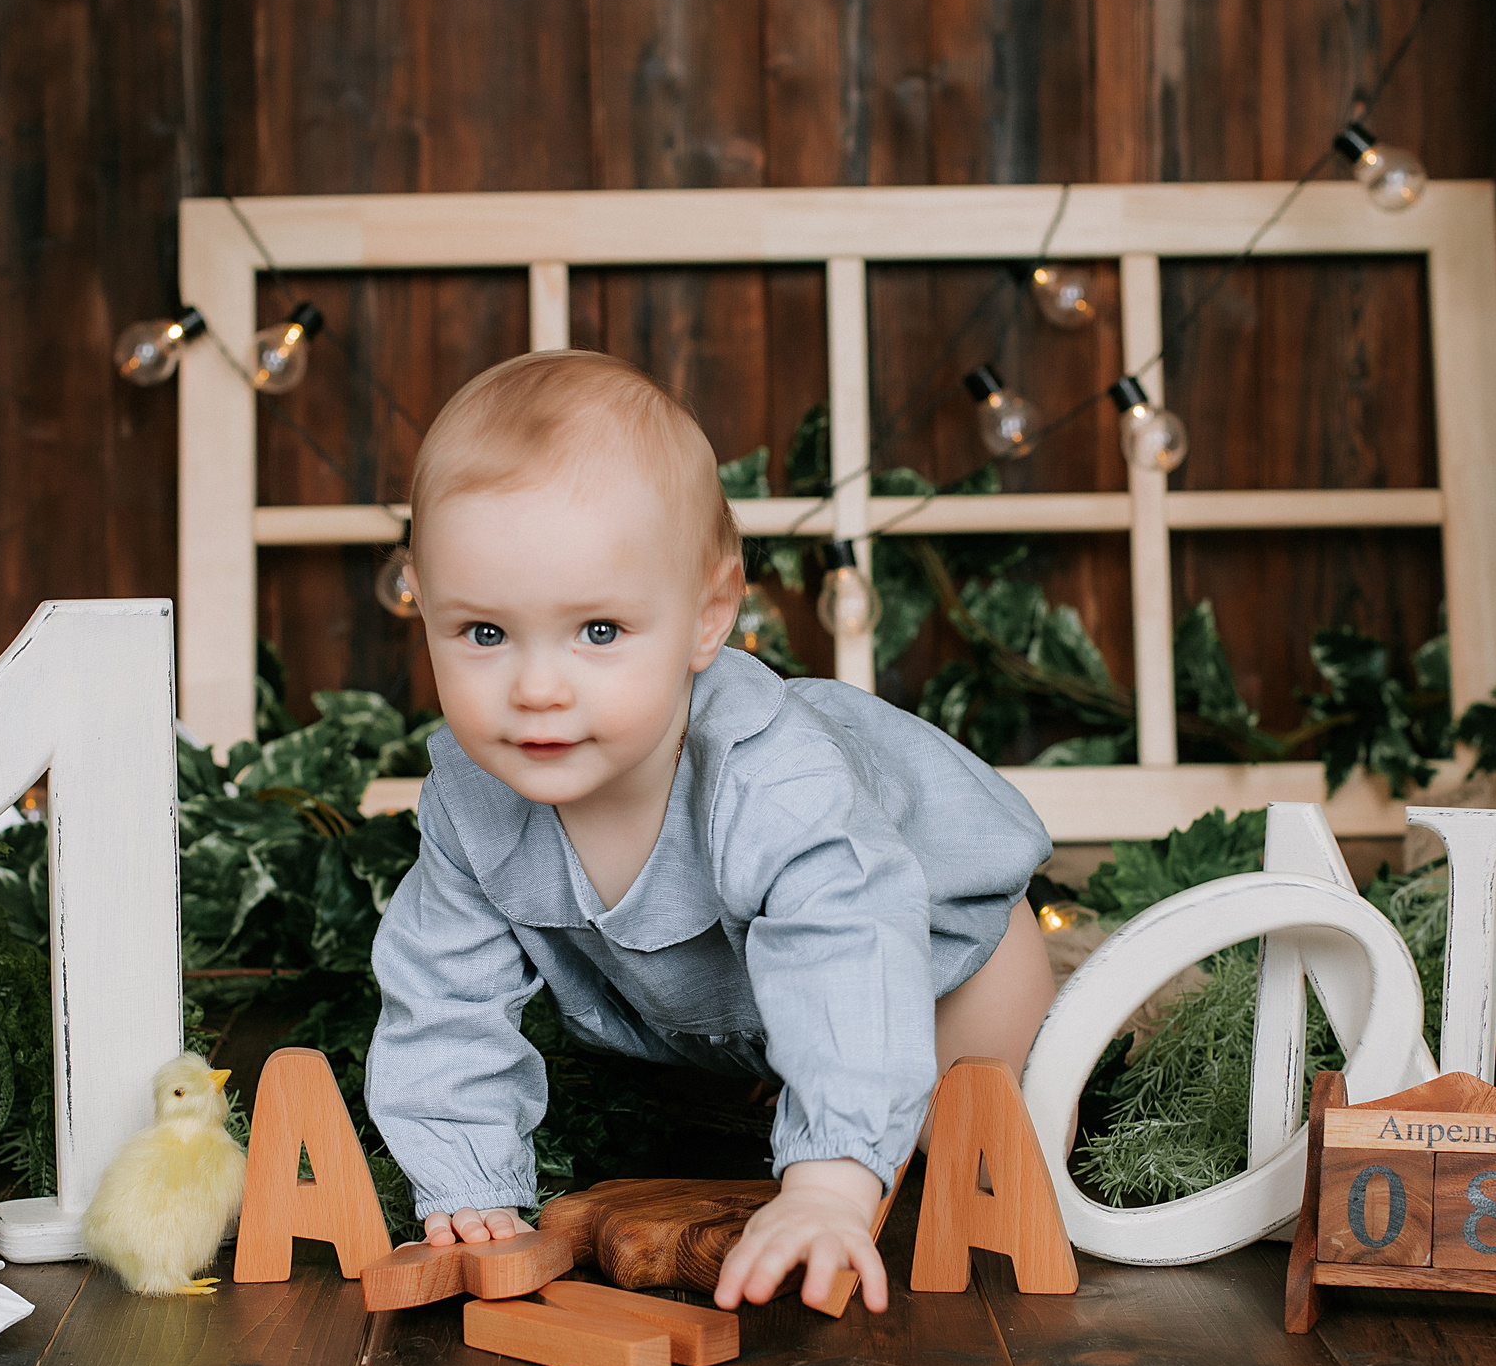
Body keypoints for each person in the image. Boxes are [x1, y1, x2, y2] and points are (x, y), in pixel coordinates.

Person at [365, 349, 1055, 1314]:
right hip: (737, 1018)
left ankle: (890, 1128)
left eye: (598, 630)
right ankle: (802, 1115)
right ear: (428, 616)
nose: (536, 687)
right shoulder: (475, 800)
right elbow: (442, 989)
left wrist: (826, 1181)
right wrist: (468, 1182)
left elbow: (847, 949)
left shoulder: (769, 777)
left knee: (966, 1172)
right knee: (757, 1144)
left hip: (939, 964)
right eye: (484, 633)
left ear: (708, 615)